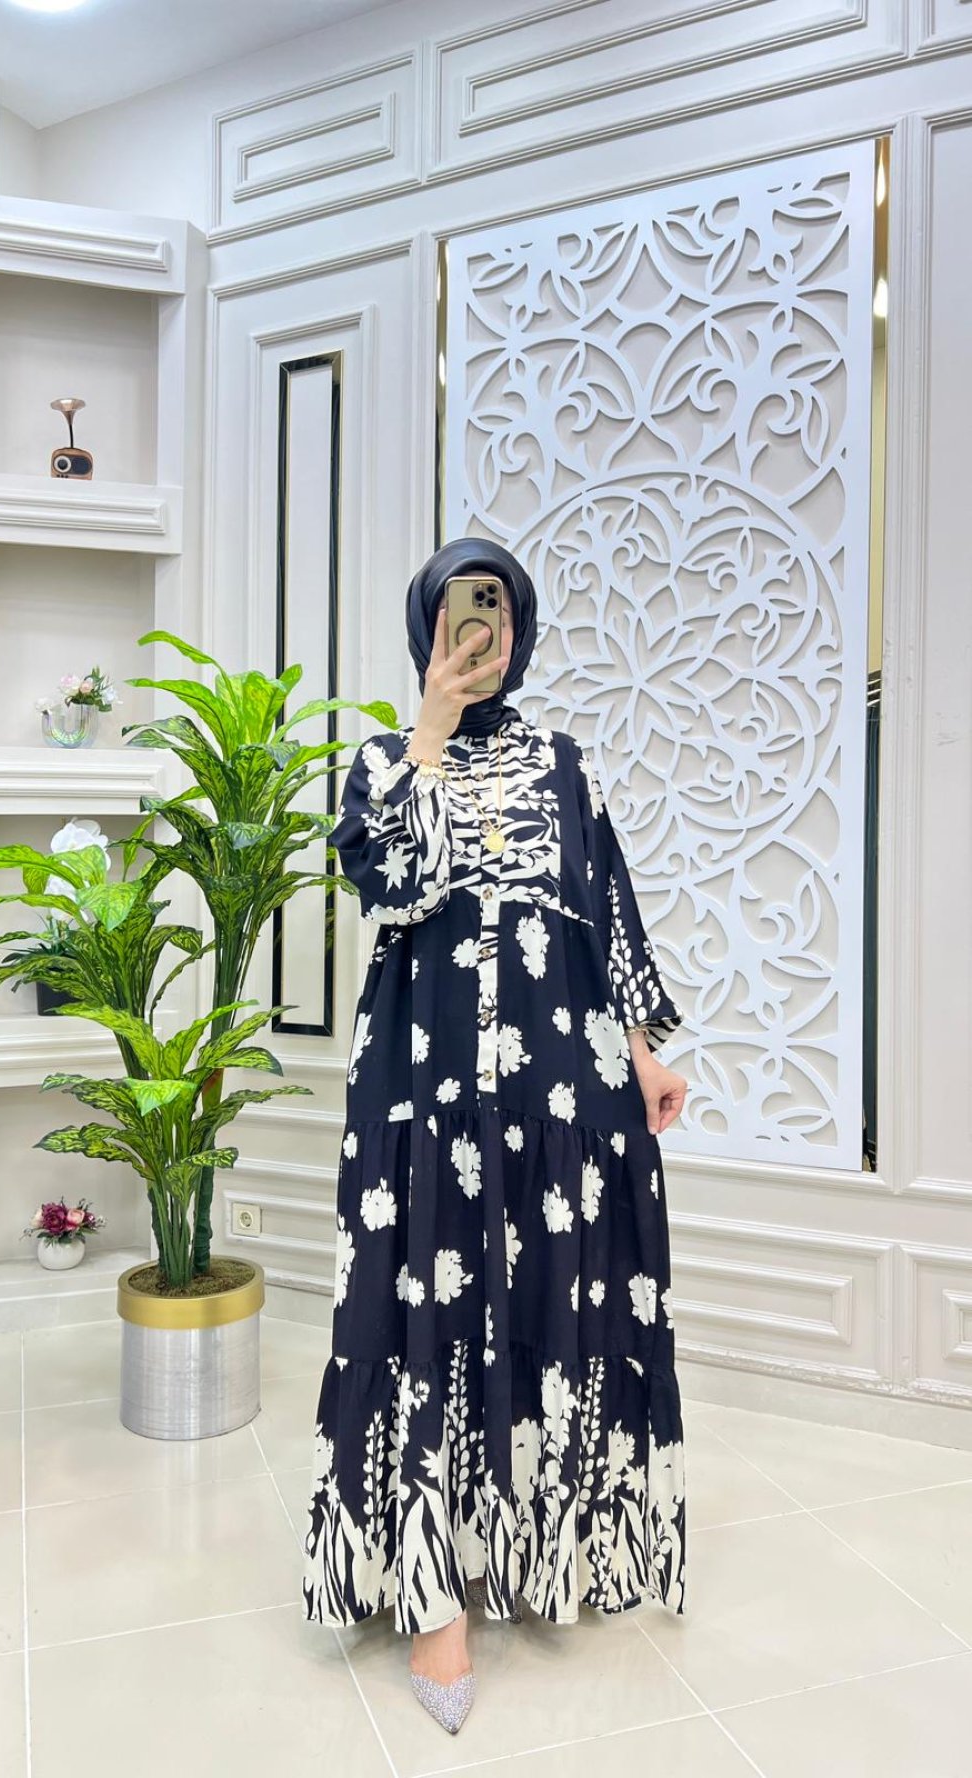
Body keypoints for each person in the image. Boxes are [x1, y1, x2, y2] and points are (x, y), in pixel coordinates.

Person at [301, 537, 688, 1735]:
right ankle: (433, 1597)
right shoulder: (384, 759)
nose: (486, 629)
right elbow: (391, 883)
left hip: (558, 1078)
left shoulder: (565, 763)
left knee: (549, 1291)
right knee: (425, 1301)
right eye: (466, 610)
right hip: (421, 1075)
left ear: (520, 632)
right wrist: (429, 721)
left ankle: (534, 1541)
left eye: (503, 612)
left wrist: (642, 1048)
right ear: (428, 624)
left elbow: (604, 907)